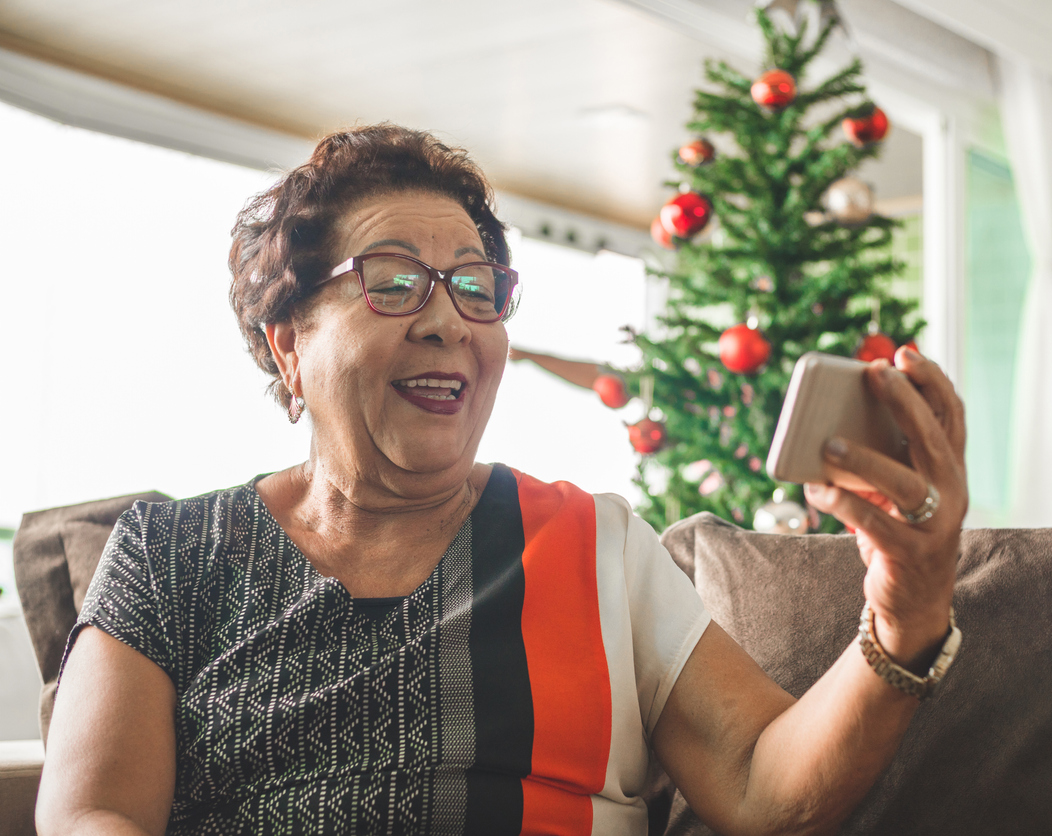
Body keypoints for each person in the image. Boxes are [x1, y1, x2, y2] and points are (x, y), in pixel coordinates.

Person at [36, 124, 968, 836]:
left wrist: (906, 612)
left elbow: (769, 785)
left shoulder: (595, 544)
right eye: (394, 281)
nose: (450, 321)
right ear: (289, 344)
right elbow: (93, 817)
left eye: (477, 287)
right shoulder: (170, 558)